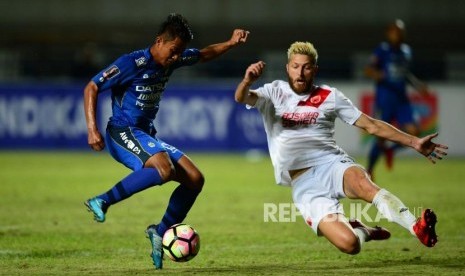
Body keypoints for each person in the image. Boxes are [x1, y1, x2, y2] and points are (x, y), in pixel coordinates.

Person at [234, 41, 447, 255]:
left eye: (306, 67)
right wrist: (246, 81)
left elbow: (370, 125)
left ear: (314, 70)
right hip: (304, 184)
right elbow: (242, 97)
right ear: (288, 68)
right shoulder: (273, 92)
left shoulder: (330, 96)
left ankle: (415, 226)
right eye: (295, 66)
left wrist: (414, 142)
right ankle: (363, 231)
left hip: (332, 163)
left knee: (365, 185)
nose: (300, 73)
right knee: (350, 245)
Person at [83, 13, 249, 269]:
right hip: (122, 131)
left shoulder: (172, 60)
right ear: (159, 40)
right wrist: (92, 129)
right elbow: (92, 87)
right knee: (163, 169)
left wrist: (230, 43)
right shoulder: (132, 63)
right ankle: (103, 200)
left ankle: (159, 232)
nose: (175, 57)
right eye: (173, 51)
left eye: (179, 53)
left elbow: (204, 54)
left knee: (195, 179)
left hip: (146, 133)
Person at [364, 19, 429, 178]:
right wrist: (378, 74)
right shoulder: (382, 50)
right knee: (380, 139)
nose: (397, 34)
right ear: (388, 33)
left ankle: (389, 151)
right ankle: (370, 170)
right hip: (384, 101)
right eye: (393, 31)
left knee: (415, 132)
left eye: (399, 31)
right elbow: (368, 70)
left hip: (401, 101)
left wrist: (417, 85)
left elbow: (405, 74)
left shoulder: (407, 51)